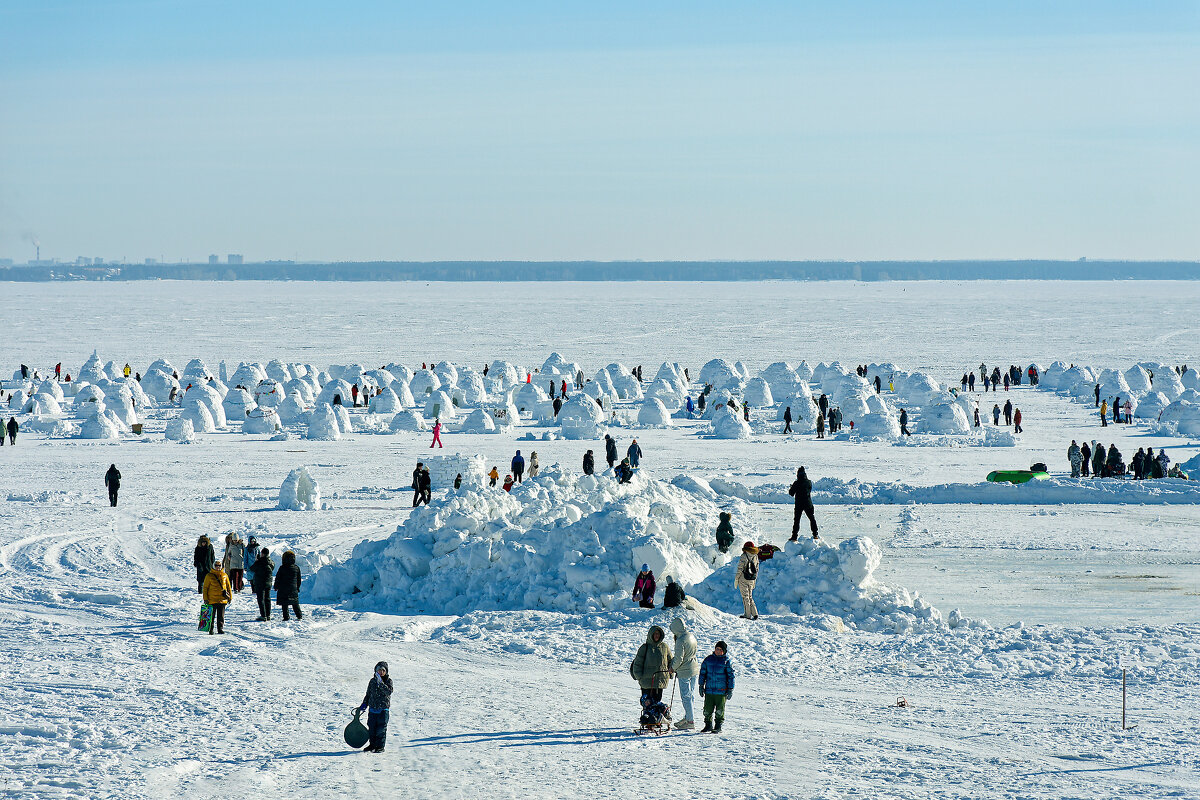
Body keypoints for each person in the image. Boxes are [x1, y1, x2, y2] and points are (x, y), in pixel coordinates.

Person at [629, 625, 672, 707]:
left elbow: (670, 661)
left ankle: (655, 719)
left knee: (657, 704)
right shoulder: (644, 648)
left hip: (660, 682)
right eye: (655, 633)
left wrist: (670, 673)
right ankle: (646, 719)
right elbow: (637, 664)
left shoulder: (664, 647)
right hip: (647, 682)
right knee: (647, 704)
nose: (657, 635)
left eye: (658, 634)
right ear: (650, 635)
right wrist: (639, 677)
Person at [698, 641, 735, 734]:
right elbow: (702, 673)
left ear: (724, 651)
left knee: (719, 710)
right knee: (707, 709)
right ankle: (708, 725)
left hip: (721, 691)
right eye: (717, 649)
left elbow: (731, 676)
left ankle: (718, 725)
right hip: (709, 690)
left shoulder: (726, 661)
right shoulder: (708, 660)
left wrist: (730, 689)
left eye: (720, 650)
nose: (718, 651)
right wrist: (701, 685)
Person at [669, 618, 699, 730]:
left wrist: (672, 668)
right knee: (690, 695)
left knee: (686, 696)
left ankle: (690, 721)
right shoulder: (691, 636)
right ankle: (687, 716)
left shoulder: (680, 640)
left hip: (685, 671)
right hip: (694, 668)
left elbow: (679, 658)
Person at [357, 661, 394, 753]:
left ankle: (380, 746)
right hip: (373, 709)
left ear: (386, 672)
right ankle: (372, 745)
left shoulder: (388, 681)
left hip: (383, 709)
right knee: (372, 728)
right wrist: (364, 704)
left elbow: (388, 692)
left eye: (383, 670)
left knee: (381, 729)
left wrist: (381, 683)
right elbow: (368, 694)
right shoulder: (372, 681)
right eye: (379, 670)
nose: (381, 672)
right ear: (375, 670)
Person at [201, 561, 232, 635]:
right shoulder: (209, 576)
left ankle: (220, 629)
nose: (218, 567)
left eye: (219, 565)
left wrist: (230, 597)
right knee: (211, 616)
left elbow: (228, 587)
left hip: (222, 599)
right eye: (216, 565)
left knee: (221, 616)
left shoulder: (225, 575)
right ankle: (210, 629)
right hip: (212, 600)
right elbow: (205, 588)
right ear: (214, 566)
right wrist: (205, 598)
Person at [788, 467, 818, 541]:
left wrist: (792, 487)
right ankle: (815, 534)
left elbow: (791, 493)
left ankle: (794, 537)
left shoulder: (796, 483)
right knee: (812, 519)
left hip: (799, 504)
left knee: (797, 520)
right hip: (808, 503)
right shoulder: (809, 482)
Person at [274, 550, 303, 621]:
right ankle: (299, 615)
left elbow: (278, 578)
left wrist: (276, 586)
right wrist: (297, 587)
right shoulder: (296, 568)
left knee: (284, 603)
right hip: (293, 588)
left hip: (283, 588)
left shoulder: (282, 567)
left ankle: (286, 617)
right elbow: (298, 580)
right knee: (295, 603)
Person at [735, 541, 759, 620]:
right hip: (752, 579)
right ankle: (755, 613)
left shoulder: (744, 556)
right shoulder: (755, 556)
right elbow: (757, 569)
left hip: (743, 578)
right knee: (750, 596)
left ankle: (747, 615)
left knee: (745, 597)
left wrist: (736, 579)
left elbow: (740, 569)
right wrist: (754, 580)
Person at [251, 547, 275, 621]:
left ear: (263, 554)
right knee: (267, 599)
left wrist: (257, 560)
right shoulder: (271, 561)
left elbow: (252, 568)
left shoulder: (260, 561)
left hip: (260, 582)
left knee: (261, 599)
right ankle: (268, 615)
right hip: (268, 582)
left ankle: (263, 615)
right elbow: (273, 567)